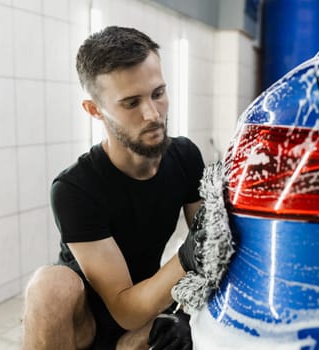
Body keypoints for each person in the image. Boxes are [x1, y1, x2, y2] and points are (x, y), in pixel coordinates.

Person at [22, 26, 206, 350]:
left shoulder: (185, 157)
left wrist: (186, 313)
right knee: (49, 286)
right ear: (95, 110)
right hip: (87, 329)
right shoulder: (75, 189)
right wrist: (187, 256)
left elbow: (214, 247)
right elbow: (124, 308)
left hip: (144, 317)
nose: (153, 114)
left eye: (158, 93)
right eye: (131, 103)